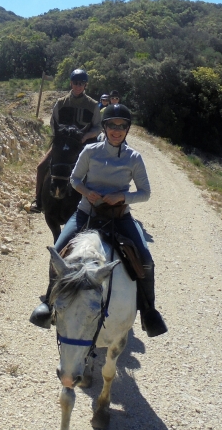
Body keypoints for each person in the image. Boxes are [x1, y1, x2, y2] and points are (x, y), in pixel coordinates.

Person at [29, 103, 168, 337]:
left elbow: (145, 192)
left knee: (146, 260)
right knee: (58, 251)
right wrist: (86, 191)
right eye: (112, 125)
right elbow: (74, 179)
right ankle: (49, 304)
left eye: (122, 126)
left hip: (119, 215)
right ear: (104, 127)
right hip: (87, 212)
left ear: (127, 129)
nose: (116, 130)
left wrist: (122, 196)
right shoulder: (90, 151)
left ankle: (148, 312)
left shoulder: (134, 158)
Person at [29, 69, 102, 214]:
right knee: (41, 166)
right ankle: (38, 201)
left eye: (81, 83)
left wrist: (86, 136)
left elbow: (98, 127)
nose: (78, 86)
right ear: (71, 83)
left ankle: (98, 204)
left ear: (85, 85)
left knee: (97, 170)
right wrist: (61, 139)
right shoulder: (61, 103)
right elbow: (53, 123)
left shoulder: (93, 105)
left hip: (83, 143)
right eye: (75, 83)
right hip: (64, 144)